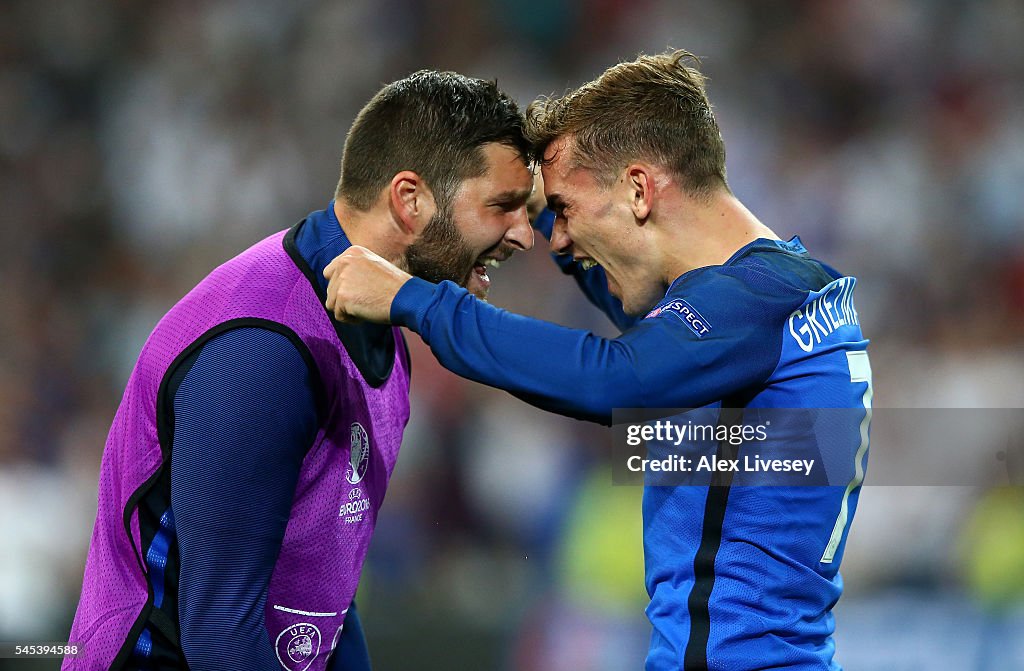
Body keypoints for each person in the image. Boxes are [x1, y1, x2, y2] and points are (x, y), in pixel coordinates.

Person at [323, 50, 872, 670]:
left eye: (565, 210)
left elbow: (613, 377)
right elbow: (658, 344)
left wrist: (414, 300)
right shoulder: (789, 297)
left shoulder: (754, 303)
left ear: (638, 189)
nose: (554, 238)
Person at [65, 70, 535, 671]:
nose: (523, 234)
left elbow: (322, 597)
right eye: (502, 206)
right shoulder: (263, 347)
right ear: (410, 199)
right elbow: (220, 638)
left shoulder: (378, 327)